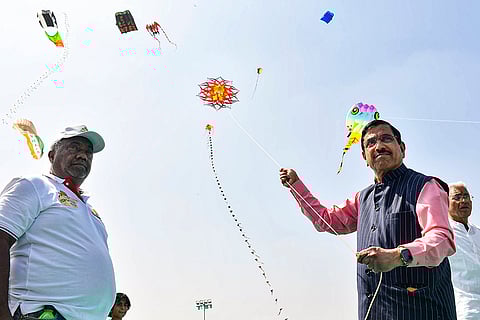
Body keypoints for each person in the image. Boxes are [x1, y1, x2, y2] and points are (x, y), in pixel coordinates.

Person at [280, 119, 457, 319]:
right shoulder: (362, 198)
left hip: (424, 311)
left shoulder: (425, 186)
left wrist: (398, 256)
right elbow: (327, 220)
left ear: (402, 148)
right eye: (371, 143)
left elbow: (442, 239)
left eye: (386, 139)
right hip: (372, 312)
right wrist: (296, 186)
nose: (379, 146)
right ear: (365, 156)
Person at [0, 125, 116, 320]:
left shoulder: (89, 208)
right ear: (52, 155)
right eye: (74, 147)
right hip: (43, 314)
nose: (82, 155)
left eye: (88, 152)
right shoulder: (35, 185)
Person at [448, 182, 480, 319]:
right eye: (457, 197)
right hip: (463, 307)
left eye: (467, 196)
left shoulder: (478, 232)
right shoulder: (442, 233)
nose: (464, 201)